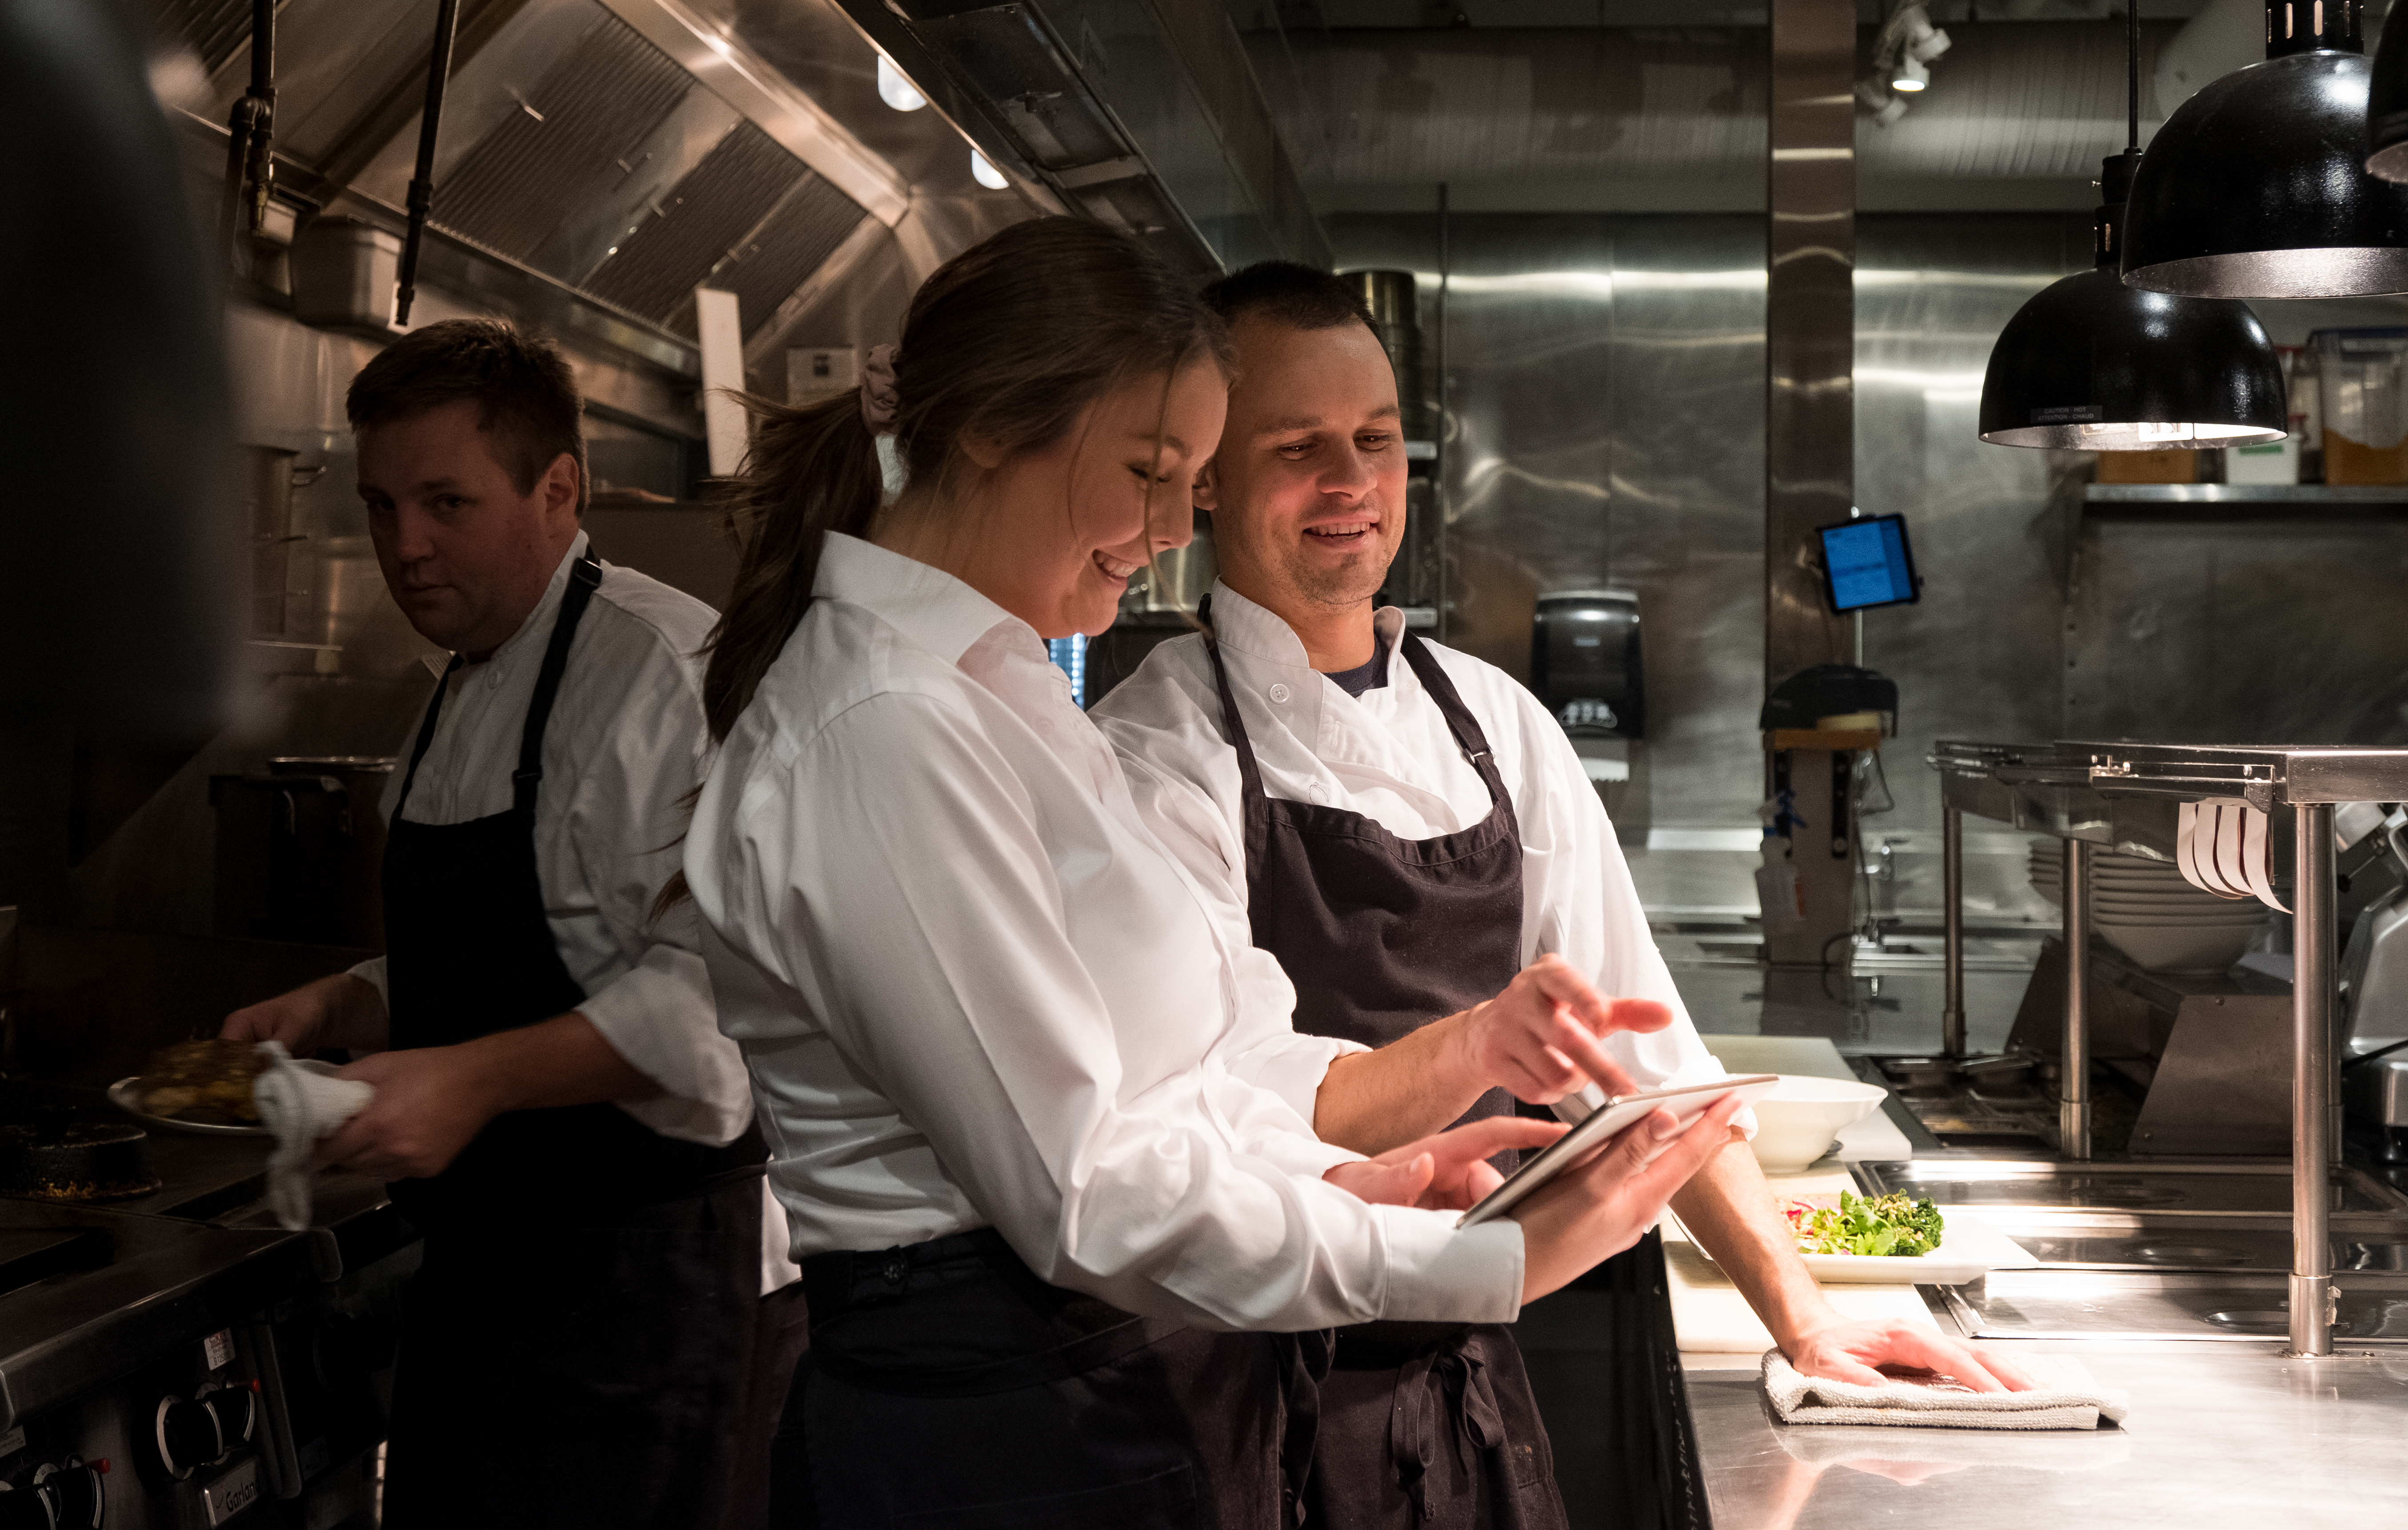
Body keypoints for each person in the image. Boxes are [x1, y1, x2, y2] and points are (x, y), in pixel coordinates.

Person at [678, 215, 1745, 1529]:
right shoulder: (880, 726)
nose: (1172, 524)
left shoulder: (1005, 698)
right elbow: (1082, 1190)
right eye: (1151, 469)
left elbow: (1213, 1055)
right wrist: (1480, 1263)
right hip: (1007, 1426)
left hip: (1138, 1388)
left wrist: (1352, 1179)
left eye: (1185, 476)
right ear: (994, 428)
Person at [1093, 262, 2039, 1529]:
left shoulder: (1497, 724)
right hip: (1233, 1390)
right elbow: (1215, 1108)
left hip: (1461, 1358)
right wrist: (1479, 1042)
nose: (1350, 484)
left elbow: (1648, 1067)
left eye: (1375, 440)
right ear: (1205, 476)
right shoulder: (1150, 753)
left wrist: (1807, 1322)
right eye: (1297, 446)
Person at [223, 321, 798, 1530]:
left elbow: (711, 1011)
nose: (405, 547)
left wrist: (472, 1082)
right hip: (490, 1275)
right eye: (382, 506)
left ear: (558, 489)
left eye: (445, 502)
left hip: (651, 1289)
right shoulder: (465, 680)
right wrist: (350, 1002)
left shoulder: (658, 671)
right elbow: (549, 940)